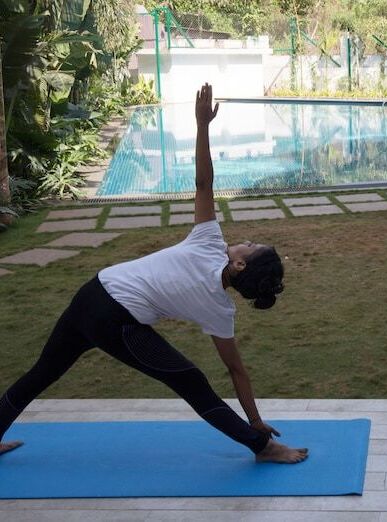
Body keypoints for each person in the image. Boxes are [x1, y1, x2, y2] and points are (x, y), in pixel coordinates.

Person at [0, 84, 308, 464]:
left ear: (241, 264)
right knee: (190, 381)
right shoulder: (218, 293)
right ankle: (263, 447)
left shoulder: (210, 244)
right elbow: (235, 370)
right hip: (114, 316)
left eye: (251, 245)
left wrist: (202, 126)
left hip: (93, 292)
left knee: (43, 373)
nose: (245, 239)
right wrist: (256, 420)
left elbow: (203, 184)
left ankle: (261, 446)